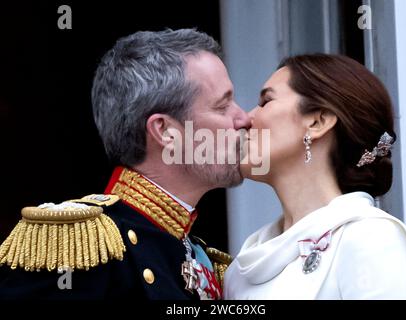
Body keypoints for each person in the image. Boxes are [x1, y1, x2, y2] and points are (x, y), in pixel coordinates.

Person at [0, 28, 250, 299]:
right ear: (165, 131)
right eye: (222, 106)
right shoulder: (83, 246)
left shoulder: (201, 258)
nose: (243, 119)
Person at [224, 54, 406, 299]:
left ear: (318, 122)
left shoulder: (369, 238)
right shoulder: (241, 270)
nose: (246, 119)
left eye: (266, 101)